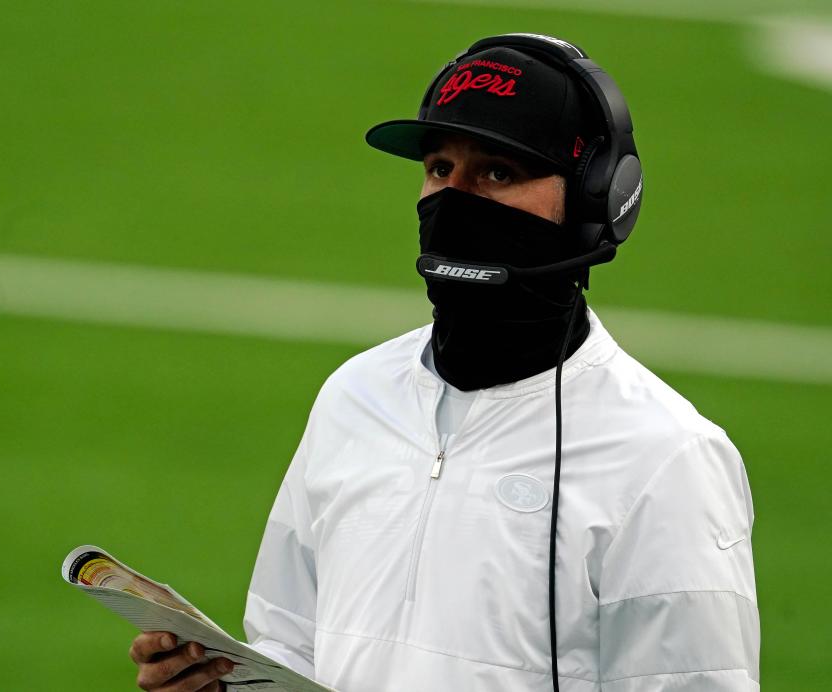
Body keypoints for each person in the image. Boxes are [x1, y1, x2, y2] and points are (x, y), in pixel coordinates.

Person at [129, 34, 759, 691]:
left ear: (595, 196)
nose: (453, 200)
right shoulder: (356, 396)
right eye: (438, 169)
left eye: (496, 173)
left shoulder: (665, 458)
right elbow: (290, 638)